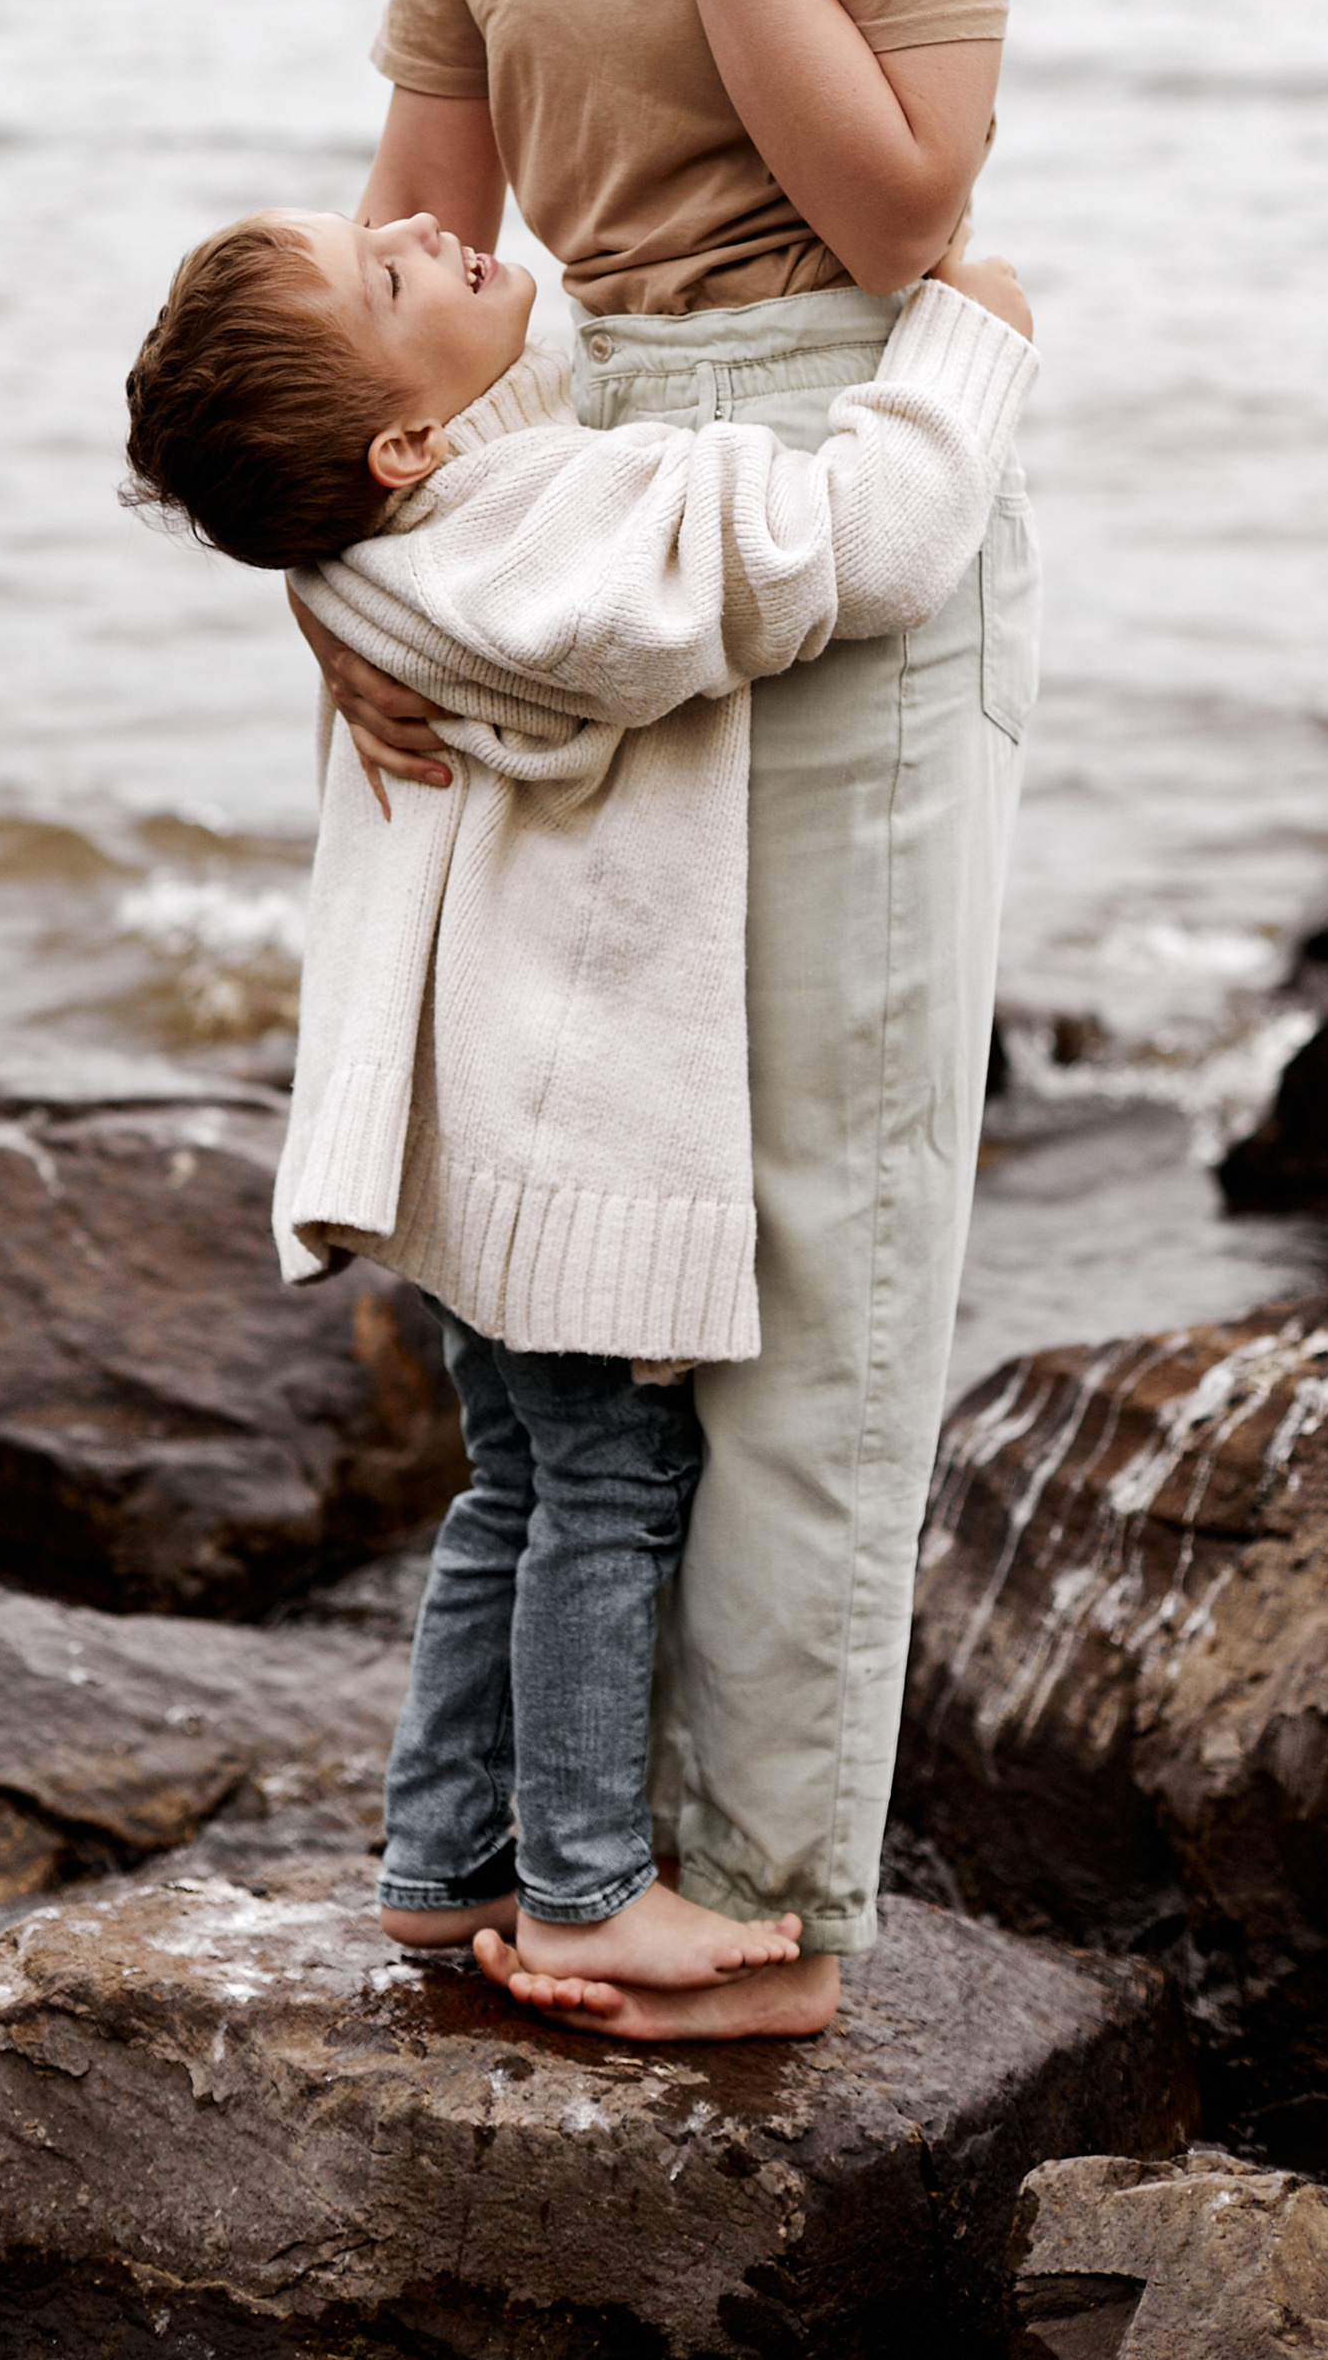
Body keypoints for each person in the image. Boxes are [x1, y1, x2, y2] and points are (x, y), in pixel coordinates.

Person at [195, 0, 1038, 2040]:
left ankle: (746, 1886)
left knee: (825, 1238)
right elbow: (405, 253)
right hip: (557, 516)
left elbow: (904, 214)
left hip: (830, 493)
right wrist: (343, 579)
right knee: (599, 1249)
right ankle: (559, 1863)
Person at [123, 200, 1035, 2006]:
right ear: (399, 442)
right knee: (612, 1485)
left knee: (513, 1484)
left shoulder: (383, 551)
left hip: (472, 1160)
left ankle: (435, 1857)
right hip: (568, 1146)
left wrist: (303, 563)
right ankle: (585, 1884)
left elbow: (497, 395)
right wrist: (966, 346)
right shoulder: (563, 534)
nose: (415, 218)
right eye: (385, 270)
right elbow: (861, 542)